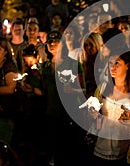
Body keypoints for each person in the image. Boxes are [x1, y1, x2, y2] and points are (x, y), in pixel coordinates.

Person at [42, 30, 86, 166]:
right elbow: (44, 91)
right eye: (49, 41)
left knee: (67, 151)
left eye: (56, 41)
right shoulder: (45, 66)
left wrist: (73, 90)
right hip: (50, 113)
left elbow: (83, 90)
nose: (52, 44)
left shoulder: (73, 64)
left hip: (68, 113)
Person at [91, 47, 130, 166]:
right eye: (110, 63)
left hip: (123, 151)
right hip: (100, 148)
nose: (113, 67)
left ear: (127, 65)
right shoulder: (103, 88)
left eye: (117, 63)